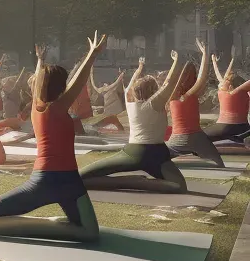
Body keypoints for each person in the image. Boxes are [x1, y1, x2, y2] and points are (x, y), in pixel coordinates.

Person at [0, 34, 107, 241]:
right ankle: (43, 224)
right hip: (51, 180)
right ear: (60, 86)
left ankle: (47, 224)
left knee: (91, 233)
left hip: (64, 180)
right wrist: (91, 55)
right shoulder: (54, 108)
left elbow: (42, 80)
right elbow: (77, 82)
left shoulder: (37, 107)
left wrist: (41, 60)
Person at [79, 52, 187, 193]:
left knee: (80, 177)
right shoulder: (156, 103)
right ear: (154, 90)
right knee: (179, 187)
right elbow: (169, 82)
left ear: (136, 91)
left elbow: (131, 86)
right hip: (158, 155)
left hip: (134, 153)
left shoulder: (130, 102)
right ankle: (137, 182)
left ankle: (129, 182)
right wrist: (176, 61)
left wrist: (139, 68)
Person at [167, 39, 224, 167]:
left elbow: (168, 80)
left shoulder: (170, 97)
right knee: (219, 163)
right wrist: (205, 54)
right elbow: (201, 77)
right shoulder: (189, 95)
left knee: (161, 159)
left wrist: (175, 62)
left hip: (176, 139)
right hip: (196, 138)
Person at [205, 54, 250, 145]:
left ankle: (237, 138)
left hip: (234, 127)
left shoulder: (235, 92)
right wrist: (214, 61)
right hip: (231, 127)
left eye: (225, 81)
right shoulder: (226, 91)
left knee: (202, 137)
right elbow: (219, 75)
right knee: (201, 136)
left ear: (230, 85)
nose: (220, 83)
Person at [0, 67, 27, 134]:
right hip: (11, 117)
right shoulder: (3, 87)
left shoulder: (14, 86)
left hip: (14, 118)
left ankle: (13, 127)